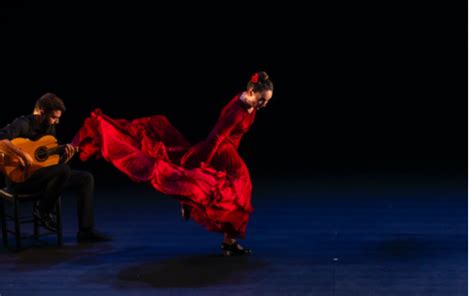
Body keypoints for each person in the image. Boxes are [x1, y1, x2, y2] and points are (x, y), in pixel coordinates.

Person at [72, 71, 273, 255]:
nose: (264, 105)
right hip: (221, 150)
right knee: (239, 187)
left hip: (228, 149)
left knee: (227, 191)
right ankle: (192, 203)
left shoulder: (248, 101)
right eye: (262, 100)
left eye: (267, 101)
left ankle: (226, 238)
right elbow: (216, 138)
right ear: (250, 91)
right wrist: (201, 163)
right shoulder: (236, 113)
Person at [0, 93, 111, 243]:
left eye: (58, 118)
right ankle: (43, 212)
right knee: (63, 171)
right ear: (41, 112)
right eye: (53, 117)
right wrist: (22, 154)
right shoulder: (23, 123)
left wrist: (66, 157)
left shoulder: (50, 130)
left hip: (41, 179)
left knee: (86, 178)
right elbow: (1, 139)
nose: (57, 121)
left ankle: (86, 230)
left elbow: (52, 166)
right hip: (19, 181)